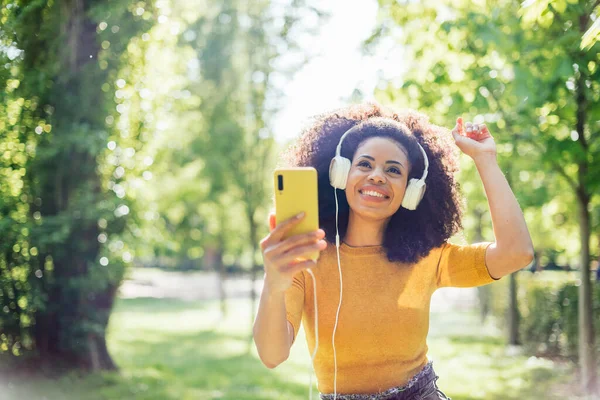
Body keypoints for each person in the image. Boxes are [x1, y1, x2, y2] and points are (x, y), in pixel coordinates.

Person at [253, 102, 534, 400]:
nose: (377, 176)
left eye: (393, 170)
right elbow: (273, 356)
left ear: (412, 191)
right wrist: (274, 284)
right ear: (340, 173)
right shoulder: (308, 258)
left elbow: (516, 253)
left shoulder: (429, 256)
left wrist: (485, 159)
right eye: (364, 164)